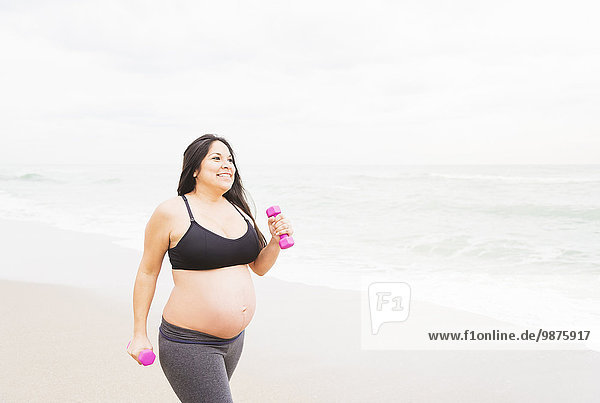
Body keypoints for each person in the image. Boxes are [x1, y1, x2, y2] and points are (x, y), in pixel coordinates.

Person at [127, 134, 294, 402]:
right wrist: (139, 334)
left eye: (230, 160)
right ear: (194, 169)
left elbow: (259, 267)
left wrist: (274, 241)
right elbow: (147, 272)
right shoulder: (172, 212)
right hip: (190, 343)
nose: (226, 164)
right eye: (216, 158)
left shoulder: (239, 209)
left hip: (234, 341)